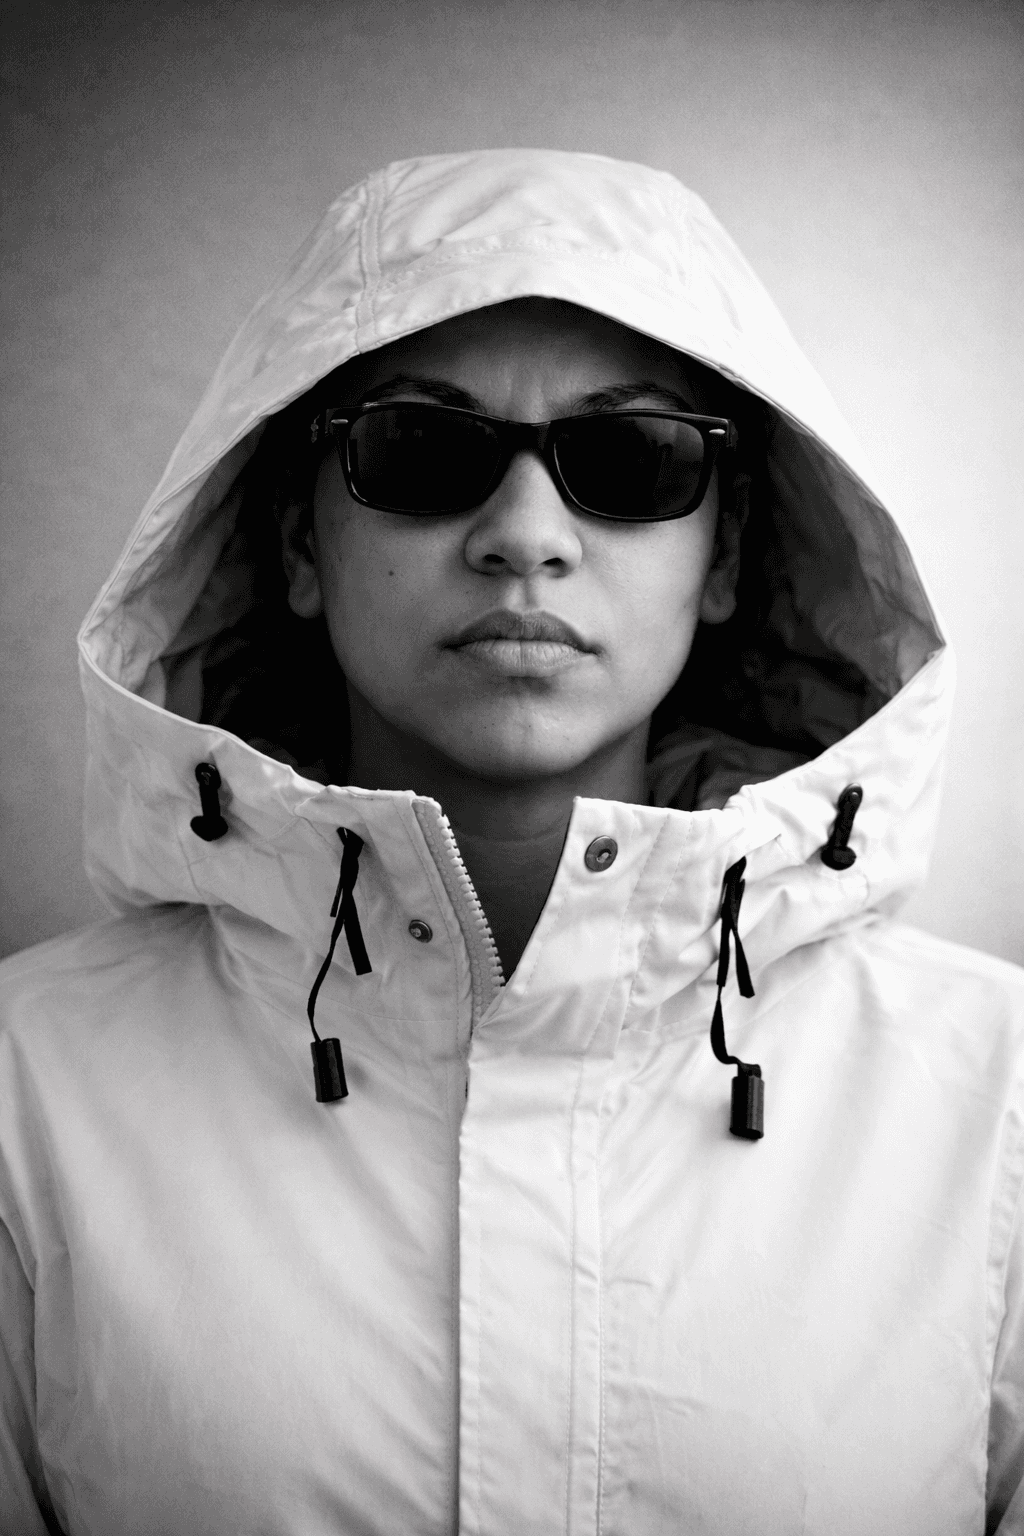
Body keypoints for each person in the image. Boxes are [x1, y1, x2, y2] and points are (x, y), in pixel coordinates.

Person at [0, 148, 1021, 1535]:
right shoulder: (28, 1094)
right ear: (301, 541)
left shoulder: (993, 1106)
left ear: (725, 561)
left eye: (633, 458)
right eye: (422, 450)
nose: (526, 536)